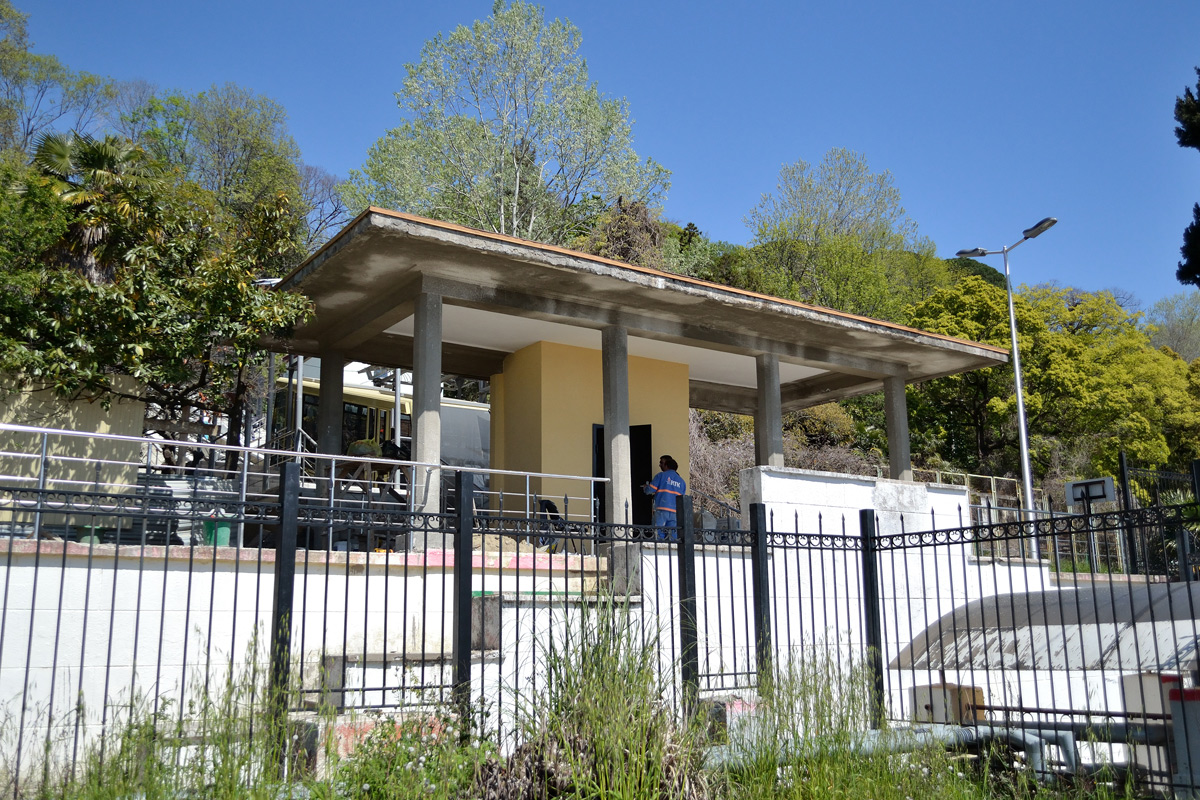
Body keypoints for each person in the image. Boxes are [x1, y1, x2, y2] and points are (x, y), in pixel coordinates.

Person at [643, 455, 686, 541]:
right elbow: (682, 497)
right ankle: (670, 553)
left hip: (662, 509)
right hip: (675, 512)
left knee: (658, 534)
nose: (660, 465)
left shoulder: (661, 476)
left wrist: (645, 488)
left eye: (661, 463)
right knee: (672, 536)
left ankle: (658, 552)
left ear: (666, 466)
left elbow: (650, 490)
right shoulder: (682, 482)